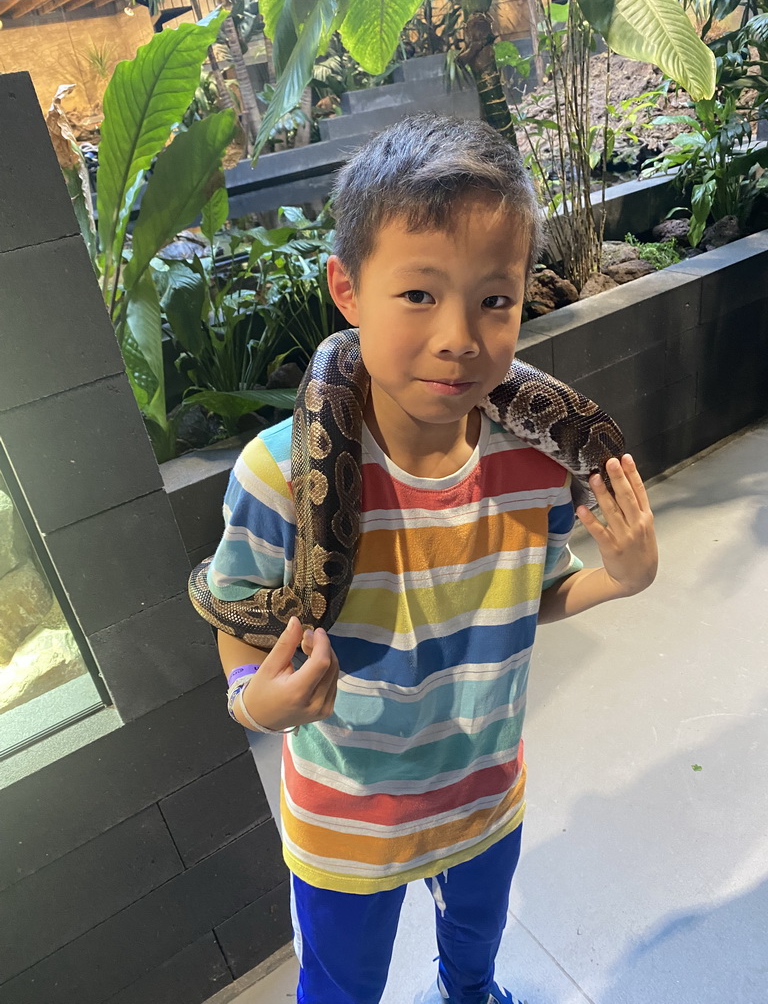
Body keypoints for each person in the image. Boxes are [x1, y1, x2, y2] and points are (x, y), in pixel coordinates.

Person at [206, 113, 658, 1004]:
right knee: (341, 988)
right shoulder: (273, 474)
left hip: (486, 796)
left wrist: (623, 577)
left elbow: (532, 597)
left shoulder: (535, 465)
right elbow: (233, 614)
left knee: (475, 961)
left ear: (528, 293)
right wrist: (254, 700)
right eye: (418, 295)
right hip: (348, 824)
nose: (460, 336)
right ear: (346, 289)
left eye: (495, 300)